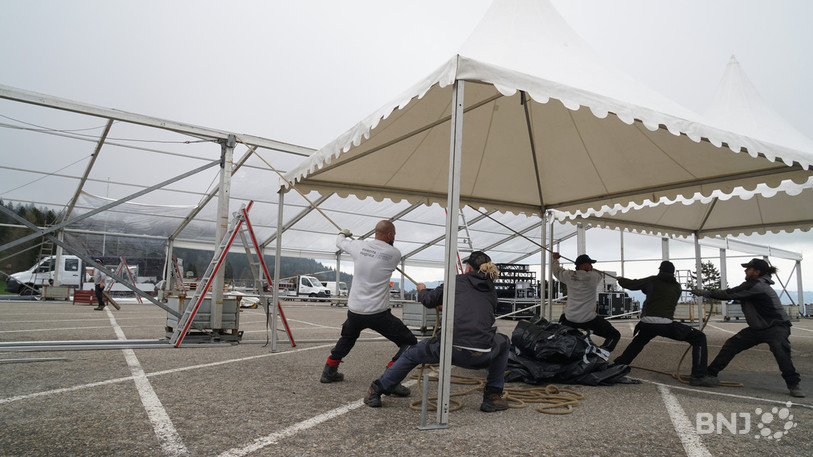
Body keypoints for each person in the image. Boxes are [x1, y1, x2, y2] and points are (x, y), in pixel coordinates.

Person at [363, 251, 511, 412]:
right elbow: (475, 310)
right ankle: (493, 396)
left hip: (451, 349)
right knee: (504, 341)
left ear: (468, 268)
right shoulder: (491, 289)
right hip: (482, 355)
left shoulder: (457, 281)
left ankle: (376, 390)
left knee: (411, 354)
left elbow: (429, 300)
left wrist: (421, 290)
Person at [320, 220, 417, 398]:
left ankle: (329, 371)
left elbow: (339, 242)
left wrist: (343, 233)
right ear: (389, 235)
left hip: (355, 311)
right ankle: (390, 379)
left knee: (348, 337)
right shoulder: (394, 254)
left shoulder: (359, 246)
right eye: (394, 235)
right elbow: (382, 257)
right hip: (377, 313)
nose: (394, 238)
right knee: (410, 342)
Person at [693, 258, 804, 398]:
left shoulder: (757, 286)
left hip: (776, 327)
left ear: (757, 272)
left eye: (748, 268)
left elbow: (728, 294)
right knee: (732, 345)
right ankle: (710, 374)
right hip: (758, 328)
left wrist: (706, 293)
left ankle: (794, 384)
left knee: (780, 350)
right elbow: (734, 294)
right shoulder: (753, 285)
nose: (745, 270)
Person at [612, 261, 717, 386]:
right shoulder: (677, 287)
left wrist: (621, 280)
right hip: (664, 323)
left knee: (639, 342)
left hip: (646, 322)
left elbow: (632, 284)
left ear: (660, 270)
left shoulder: (652, 280)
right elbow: (661, 294)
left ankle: (619, 365)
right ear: (673, 273)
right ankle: (698, 376)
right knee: (699, 337)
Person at [551, 252, 621, 352]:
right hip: (589, 319)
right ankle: (602, 352)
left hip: (570, 318)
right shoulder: (594, 277)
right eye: (589, 264)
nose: (591, 266)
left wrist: (555, 259)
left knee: (563, 338)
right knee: (615, 335)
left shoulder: (568, 275)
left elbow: (556, 271)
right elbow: (600, 274)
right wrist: (590, 270)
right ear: (583, 266)